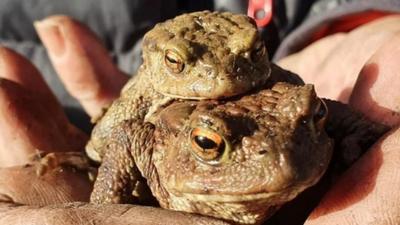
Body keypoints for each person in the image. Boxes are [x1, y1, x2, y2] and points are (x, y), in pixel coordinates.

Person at [0, 0, 400, 224]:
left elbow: (310, 100)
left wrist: (350, 20)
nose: (274, 159)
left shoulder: (277, 83)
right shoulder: (145, 114)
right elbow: (124, 134)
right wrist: (101, 201)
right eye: (208, 144)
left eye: (311, 121)